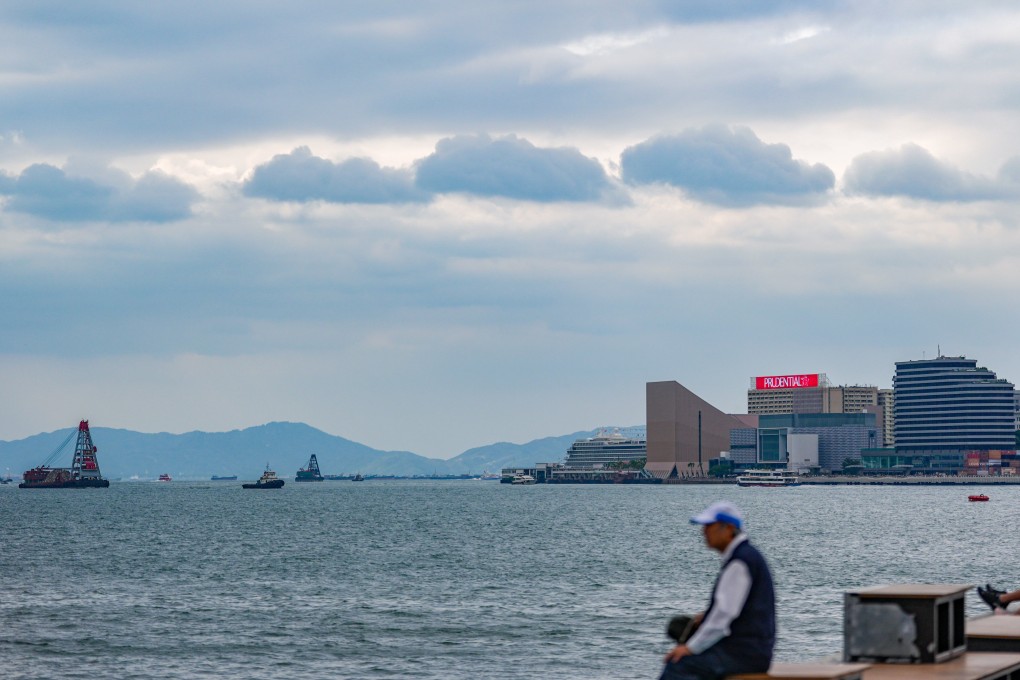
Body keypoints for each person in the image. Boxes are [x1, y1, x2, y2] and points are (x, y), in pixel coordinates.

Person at [660, 501, 775, 680]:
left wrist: (690, 648)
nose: (703, 532)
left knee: (677, 666)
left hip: (742, 655)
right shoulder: (747, 556)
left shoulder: (739, 562)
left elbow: (723, 616)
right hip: (752, 652)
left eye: (709, 526)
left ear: (728, 528)